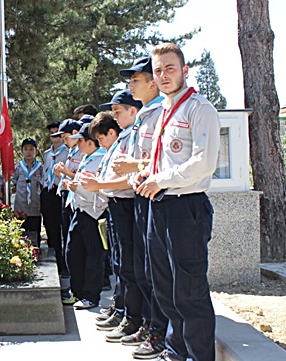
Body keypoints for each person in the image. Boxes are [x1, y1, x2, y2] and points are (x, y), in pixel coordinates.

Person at [135, 42, 220, 361]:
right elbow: (162, 163)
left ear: (185, 70)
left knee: (190, 292)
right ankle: (175, 350)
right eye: (158, 71)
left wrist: (160, 179)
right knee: (164, 287)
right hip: (158, 206)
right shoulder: (163, 114)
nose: (163, 75)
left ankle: (199, 356)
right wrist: (145, 175)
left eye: (170, 68)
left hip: (186, 208)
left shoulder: (200, 109)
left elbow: (204, 163)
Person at [115, 56, 169, 360]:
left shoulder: (161, 112)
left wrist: (135, 167)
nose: (130, 84)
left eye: (135, 79)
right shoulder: (145, 116)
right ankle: (150, 324)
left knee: (157, 271)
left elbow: (159, 160)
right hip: (141, 197)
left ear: (152, 82)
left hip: (159, 199)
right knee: (144, 269)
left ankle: (159, 332)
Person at [85, 90, 145, 342]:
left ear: (133, 110)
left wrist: (99, 185)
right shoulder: (122, 141)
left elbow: (131, 178)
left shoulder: (131, 137)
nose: (115, 117)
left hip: (127, 205)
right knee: (120, 263)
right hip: (115, 206)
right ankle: (121, 309)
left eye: (118, 111)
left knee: (129, 265)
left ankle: (132, 316)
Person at [62, 123, 108, 310]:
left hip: (93, 213)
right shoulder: (85, 158)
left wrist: (77, 188)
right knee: (73, 254)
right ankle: (78, 292)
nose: (77, 144)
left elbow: (101, 193)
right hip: (78, 210)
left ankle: (91, 295)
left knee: (93, 256)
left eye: (80, 141)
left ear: (90, 142)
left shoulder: (101, 160)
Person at [52, 119, 84, 305]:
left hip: (81, 202)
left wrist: (67, 173)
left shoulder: (83, 150)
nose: (64, 141)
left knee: (76, 248)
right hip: (68, 198)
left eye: (65, 137)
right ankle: (75, 286)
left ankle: (80, 289)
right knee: (69, 244)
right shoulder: (72, 150)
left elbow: (82, 176)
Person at [40, 121, 68, 274]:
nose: (54, 135)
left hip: (61, 190)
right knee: (51, 228)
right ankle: (55, 260)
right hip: (48, 192)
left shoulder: (68, 151)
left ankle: (66, 262)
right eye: (52, 133)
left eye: (57, 132)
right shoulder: (47, 154)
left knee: (65, 227)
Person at [11, 138, 43, 244]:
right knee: (20, 235)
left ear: (36, 151)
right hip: (21, 207)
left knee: (35, 233)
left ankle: (36, 256)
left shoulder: (40, 168)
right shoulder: (17, 168)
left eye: (31, 149)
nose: (28, 152)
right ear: (22, 151)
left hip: (35, 206)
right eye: (26, 149)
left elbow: (43, 185)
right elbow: (13, 183)